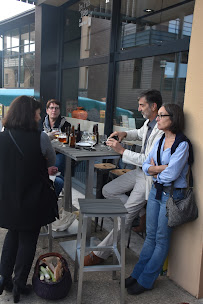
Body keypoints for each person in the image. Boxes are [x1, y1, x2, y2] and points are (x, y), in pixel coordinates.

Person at [84, 89, 163, 266]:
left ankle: (99, 254)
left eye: (142, 105)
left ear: (154, 106)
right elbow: (139, 133)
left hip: (149, 178)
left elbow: (146, 160)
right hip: (139, 172)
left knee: (125, 216)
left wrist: (121, 150)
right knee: (108, 190)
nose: (139, 108)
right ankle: (141, 212)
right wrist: (125, 134)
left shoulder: (161, 129)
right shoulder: (150, 123)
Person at [126, 103, 193, 295]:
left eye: (162, 115)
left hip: (172, 195)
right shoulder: (160, 139)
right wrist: (157, 169)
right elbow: (147, 165)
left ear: (173, 118)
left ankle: (146, 280)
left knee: (161, 240)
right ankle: (137, 274)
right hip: (157, 191)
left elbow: (171, 175)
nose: (158, 118)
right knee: (150, 237)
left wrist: (156, 171)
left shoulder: (183, 144)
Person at [0, 96, 57, 303]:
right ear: (28, 114)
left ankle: (3, 278)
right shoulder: (40, 137)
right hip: (32, 197)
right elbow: (51, 159)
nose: (39, 115)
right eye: (37, 112)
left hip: (8, 198)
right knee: (28, 239)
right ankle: (18, 284)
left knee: (13, 233)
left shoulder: (2, 137)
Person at [43, 99, 70, 176]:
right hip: (44, 153)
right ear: (47, 110)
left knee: (57, 163)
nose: (54, 110)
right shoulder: (40, 124)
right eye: (51, 108)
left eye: (56, 108)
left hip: (59, 152)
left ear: (59, 111)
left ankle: (57, 182)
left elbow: (69, 141)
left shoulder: (66, 125)